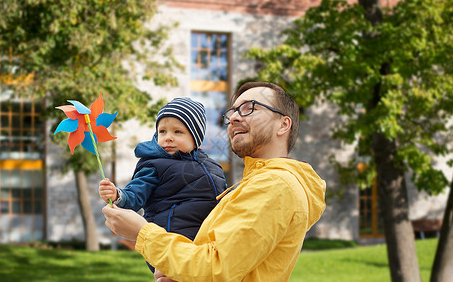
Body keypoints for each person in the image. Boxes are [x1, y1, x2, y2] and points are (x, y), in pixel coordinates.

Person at [102, 82, 326, 281]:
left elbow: (216, 269)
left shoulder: (273, 185)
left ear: (283, 125)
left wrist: (142, 233)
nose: (235, 117)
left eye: (250, 108)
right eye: (233, 112)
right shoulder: (255, 183)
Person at [98, 97, 227, 271]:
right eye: (162, 131)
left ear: (196, 138)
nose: (168, 138)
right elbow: (135, 194)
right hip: (169, 241)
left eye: (177, 132)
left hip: (208, 243)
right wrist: (118, 195)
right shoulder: (155, 165)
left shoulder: (213, 166)